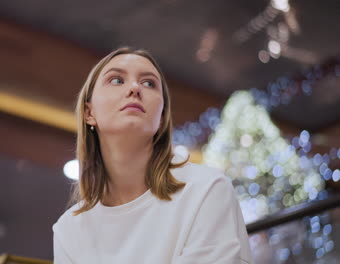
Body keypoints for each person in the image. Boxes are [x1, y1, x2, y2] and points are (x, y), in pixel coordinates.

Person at [52, 47, 252, 264]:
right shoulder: (69, 230)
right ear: (89, 113)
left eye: (149, 83)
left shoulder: (207, 189)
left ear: (162, 116)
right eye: (117, 80)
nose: (135, 88)